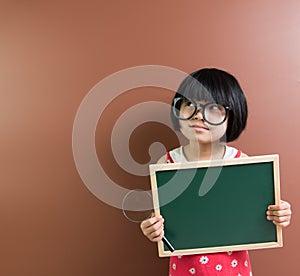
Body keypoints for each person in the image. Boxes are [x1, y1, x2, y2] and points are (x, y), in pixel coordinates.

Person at [140, 68, 292, 275]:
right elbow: (166, 214)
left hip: (233, 268)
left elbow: (260, 213)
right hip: (185, 268)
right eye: (190, 105)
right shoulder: (167, 164)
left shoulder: (242, 163)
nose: (199, 116)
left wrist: (280, 213)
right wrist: (153, 227)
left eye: (213, 108)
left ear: (231, 116)